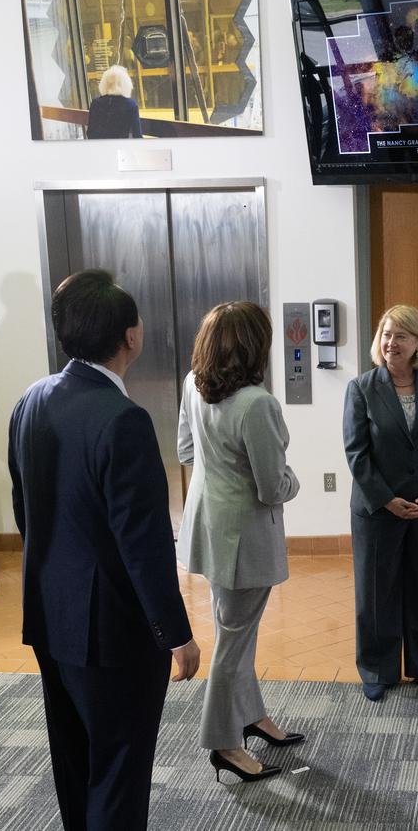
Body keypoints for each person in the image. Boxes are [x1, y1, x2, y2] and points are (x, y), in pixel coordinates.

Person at [9, 269, 200, 829]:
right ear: (130, 336)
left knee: (75, 762)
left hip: (50, 616)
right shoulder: (123, 419)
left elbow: (26, 509)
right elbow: (144, 544)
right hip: (112, 633)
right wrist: (176, 634)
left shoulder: (31, 399)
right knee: (119, 769)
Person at [177, 302, 302, 784]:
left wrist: (221, 472)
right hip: (243, 538)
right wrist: (295, 482)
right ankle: (223, 743)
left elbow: (186, 451)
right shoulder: (256, 403)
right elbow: (273, 487)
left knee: (234, 631)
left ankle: (250, 716)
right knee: (232, 643)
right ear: (256, 346)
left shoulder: (192, 383)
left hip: (208, 528)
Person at [343, 304, 418, 702]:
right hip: (379, 510)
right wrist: (386, 499)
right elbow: (356, 453)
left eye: (401, 336)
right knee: (376, 592)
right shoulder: (362, 388)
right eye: (387, 334)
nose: (391, 342)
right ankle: (378, 669)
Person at [87, 65, 143, 139]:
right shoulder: (131, 105)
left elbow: (90, 132)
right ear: (125, 84)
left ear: (104, 83)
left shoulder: (95, 103)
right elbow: (137, 135)